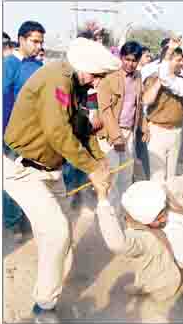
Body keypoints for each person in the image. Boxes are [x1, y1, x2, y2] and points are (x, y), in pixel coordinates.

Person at [3, 37, 119, 323]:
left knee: (63, 232)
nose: (96, 84)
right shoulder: (56, 79)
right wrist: (92, 168)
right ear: (83, 67)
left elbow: (81, 128)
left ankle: (52, 286)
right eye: (96, 76)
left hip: (51, 171)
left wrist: (101, 162)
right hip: (23, 170)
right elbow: (57, 132)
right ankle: (44, 307)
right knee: (56, 233)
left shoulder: (75, 84)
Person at [96, 166, 183, 301]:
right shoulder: (142, 235)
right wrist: (102, 198)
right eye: (157, 219)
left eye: (163, 212)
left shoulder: (167, 191)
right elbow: (117, 244)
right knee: (147, 264)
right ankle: (145, 285)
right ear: (142, 221)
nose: (164, 219)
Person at [3, 21, 46, 240]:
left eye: (41, 42)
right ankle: (12, 224)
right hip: (11, 134)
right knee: (10, 179)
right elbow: (4, 101)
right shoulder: (8, 64)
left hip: (33, 136)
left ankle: (27, 220)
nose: (39, 46)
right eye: (34, 41)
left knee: (31, 178)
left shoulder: (37, 67)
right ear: (21, 40)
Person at [96, 41, 145, 217]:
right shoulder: (109, 78)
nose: (130, 64)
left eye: (134, 60)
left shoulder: (138, 77)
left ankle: (121, 214)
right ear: (121, 57)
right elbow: (105, 110)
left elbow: (139, 105)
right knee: (111, 177)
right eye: (127, 59)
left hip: (129, 132)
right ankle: (106, 216)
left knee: (126, 175)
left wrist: (143, 127)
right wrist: (116, 137)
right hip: (111, 134)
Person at [142, 44, 183, 182]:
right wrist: (160, 81)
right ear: (168, 61)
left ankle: (168, 203)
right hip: (158, 131)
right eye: (177, 60)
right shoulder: (152, 78)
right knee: (157, 176)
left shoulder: (182, 80)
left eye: (181, 59)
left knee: (171, 177)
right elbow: (146, 100)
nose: (181, 63)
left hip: (177, 131)